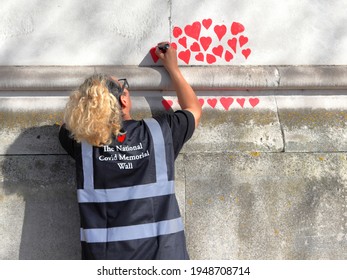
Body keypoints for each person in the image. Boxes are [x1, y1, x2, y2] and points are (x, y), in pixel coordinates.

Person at [59, 42, 202, 260]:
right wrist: (172, 68)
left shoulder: (83, 145)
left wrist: (88, 106)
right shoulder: (159, 133)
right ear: (124, 100)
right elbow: (193, 108)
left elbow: (65, 126)